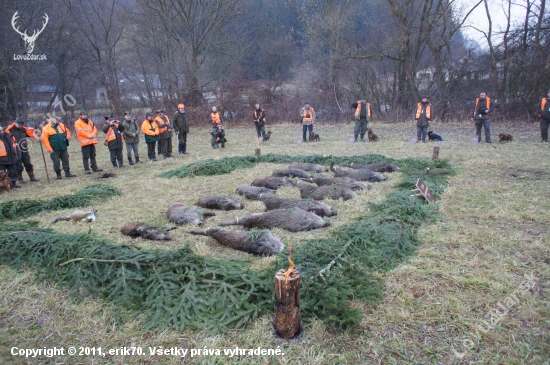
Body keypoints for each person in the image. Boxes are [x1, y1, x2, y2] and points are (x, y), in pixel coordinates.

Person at [6, 117, 39, 183]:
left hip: (25, 149)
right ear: (16, 123)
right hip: (16, 150)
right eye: (20, 125)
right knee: (19, 165)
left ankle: (32, 177)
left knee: (28, 163)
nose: (21, 126)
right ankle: (20, 178)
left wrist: (36, 136)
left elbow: (30, 134)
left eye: (22, 125)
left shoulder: (24, 129)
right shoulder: (9, 130)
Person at [75, 110, 103, 174]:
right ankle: (87, 169)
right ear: (80, 115)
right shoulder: (77, 123)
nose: (85, 116)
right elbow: (80, 132)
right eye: (83, 115)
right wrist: (89, 135)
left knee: (93, 155)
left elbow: (94, 128)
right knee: (85, 156)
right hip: (85, 143)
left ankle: (94, 167)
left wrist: (93, 134)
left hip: (92, 141)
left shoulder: (89, 121)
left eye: (85, 115)